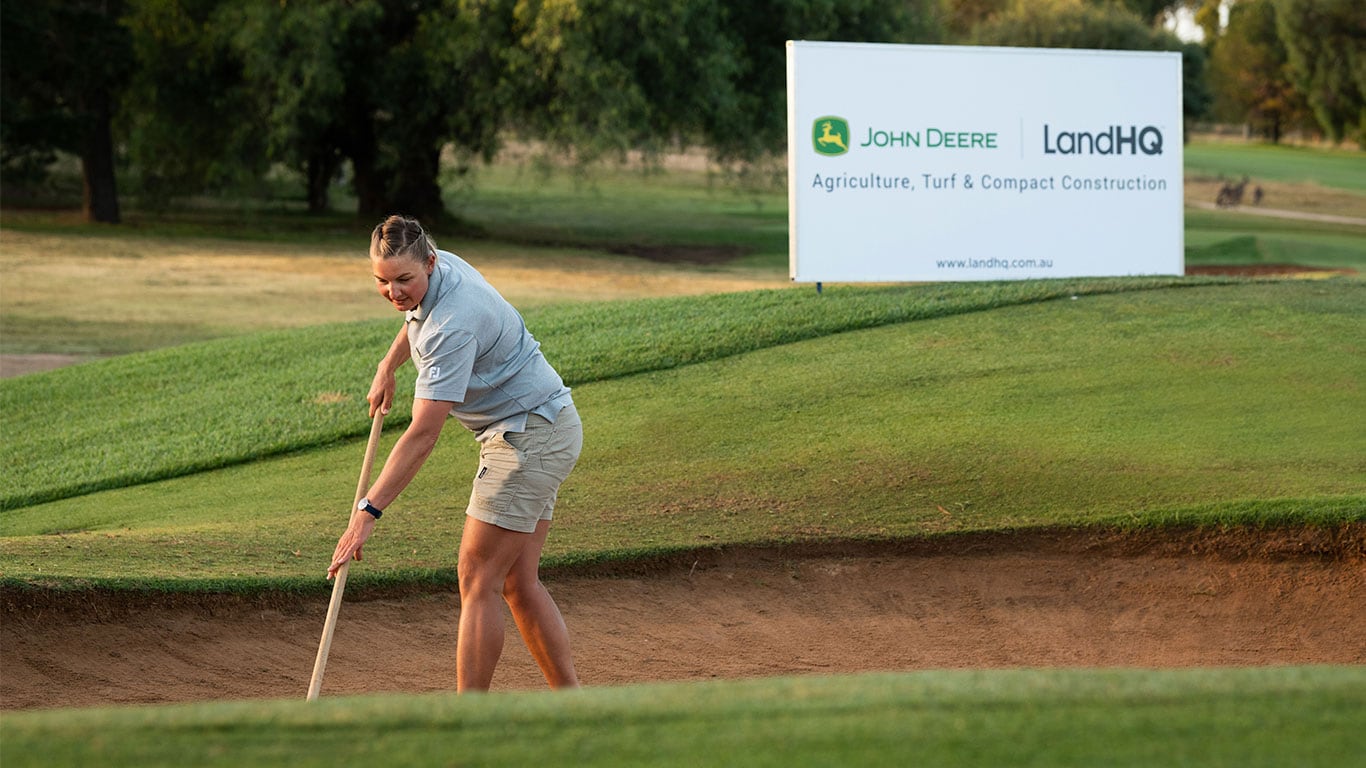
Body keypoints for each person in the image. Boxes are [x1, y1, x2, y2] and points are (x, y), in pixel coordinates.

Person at [328, 214, 582, 692]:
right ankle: (573, 704)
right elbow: (413, 319)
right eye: (381, 281)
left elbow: (424, 434)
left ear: (429, 261)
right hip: (549, 424)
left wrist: (367, 512)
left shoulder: (452, 326)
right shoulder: (442, 272)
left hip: (528, 436)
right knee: (516, 582)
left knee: (476, 577)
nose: (394, 292)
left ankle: (466, 719)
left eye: (403, 279)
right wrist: (388, 365)